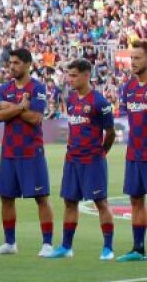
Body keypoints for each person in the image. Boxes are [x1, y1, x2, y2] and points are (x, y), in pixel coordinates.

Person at [47, 59, 116, 260]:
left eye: (74, 75)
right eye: (69, 75)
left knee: (100, 202)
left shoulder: (100, 102)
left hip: (92, 160)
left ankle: (108, 248)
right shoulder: (71, 99)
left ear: (87, 75)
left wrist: (101, 152)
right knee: (70, 202)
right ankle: (66, 247)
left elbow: (110, 132)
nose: (70, 79)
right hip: (72, 159)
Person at [0, 48, 55, 256]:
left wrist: (12, 109)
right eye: (10, 63)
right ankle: (10, 243)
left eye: (16, 62)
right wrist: (19, 107)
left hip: (31, 151)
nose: (12, 66)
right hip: (9, 151)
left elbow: (36, 117)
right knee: (6, 197)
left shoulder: (38, 88)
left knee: (41, 197)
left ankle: (47, 244)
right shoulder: (5, 88)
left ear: (27, 64)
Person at [118, 41, 147, 261]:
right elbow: (127, 119)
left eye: (137, 58)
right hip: (134, 154)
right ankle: (138, 249)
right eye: (132, 58)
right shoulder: (128, 88)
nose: (133, 62)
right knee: (136, 200)